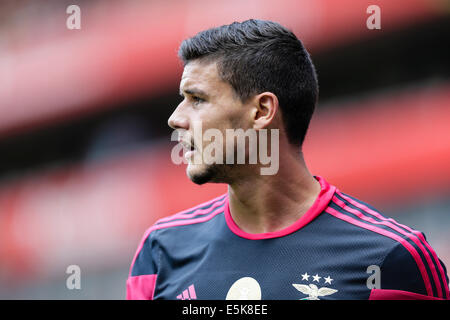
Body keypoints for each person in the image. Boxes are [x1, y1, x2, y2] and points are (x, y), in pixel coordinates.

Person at [126, 19, 449, 300]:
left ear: (262, 111)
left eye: (197, 99)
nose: (175, 119)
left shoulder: (390, 256)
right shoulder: (160, 251)